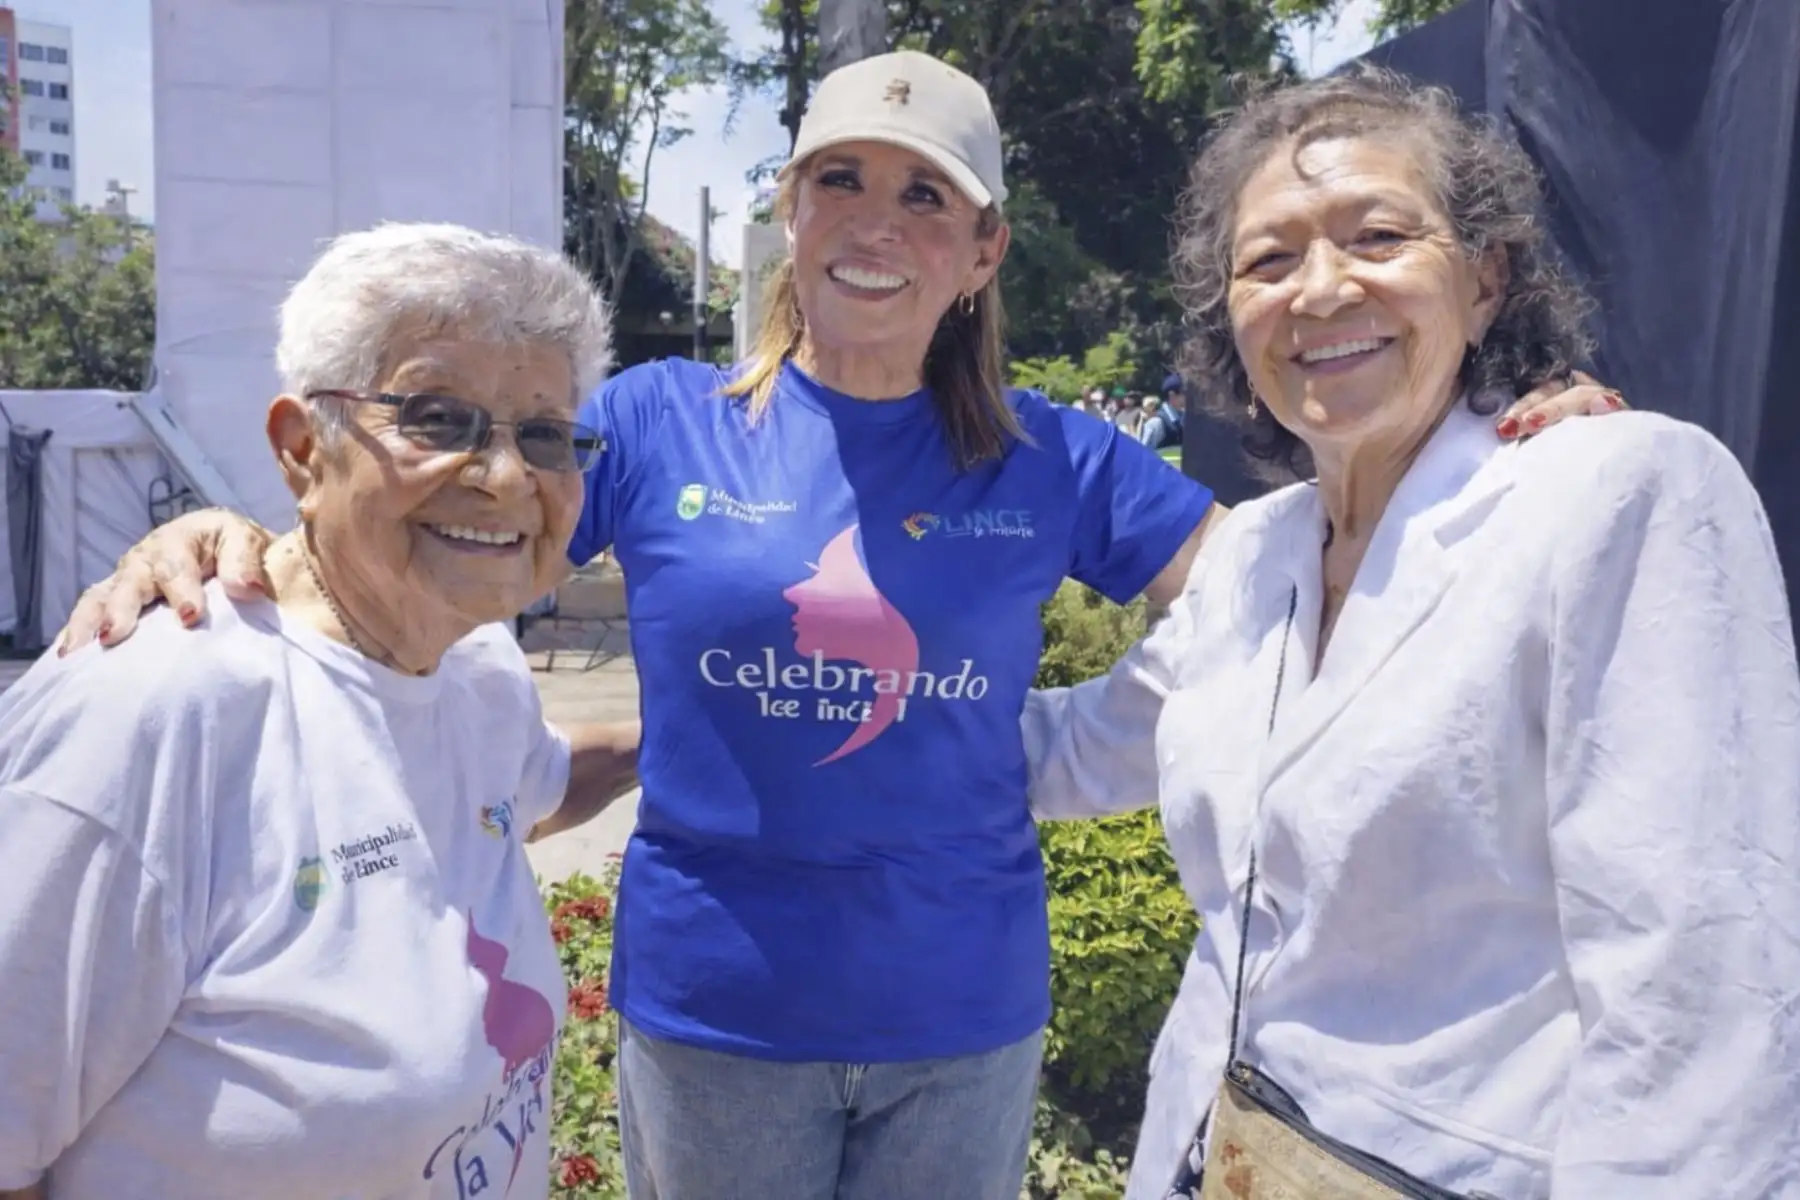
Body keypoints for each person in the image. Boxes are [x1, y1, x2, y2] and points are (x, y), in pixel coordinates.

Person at [56, 54, 1624, 1200]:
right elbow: (458, 522)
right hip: (714, 1012)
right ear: (792, 214)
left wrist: (1467, 458)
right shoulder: (661, 423)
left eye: (925, 195)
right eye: (840, 181)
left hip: (965, 1009)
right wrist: (250, 542)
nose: (879, 222)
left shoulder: (1053, 453)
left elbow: (1292, 587)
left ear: (982, 248)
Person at [1022, 67, 1800, 1199]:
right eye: (1270, 260)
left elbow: (1698, 978)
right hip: (1212, 1153)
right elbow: (1080, 750)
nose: (1323, 289)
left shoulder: (1618, 496)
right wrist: (814, 702)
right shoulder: (1255, 554)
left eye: (1377, 236)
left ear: (1486, 281)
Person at [0, 223, 641, 1200]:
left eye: (544, 433)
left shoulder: (474, 670)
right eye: (437, 417)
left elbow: (535, 788)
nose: (506, 477)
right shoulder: (152, 713)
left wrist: (701, 727)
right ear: (303, 450)